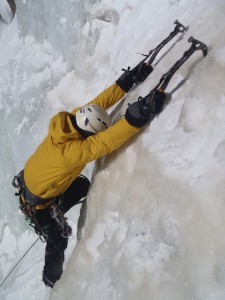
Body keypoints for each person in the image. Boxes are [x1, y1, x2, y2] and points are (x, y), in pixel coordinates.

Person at [13, 62, 166, 288]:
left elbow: (98, 104)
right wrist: (138, 116)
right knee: (58, 239)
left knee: (84, 186)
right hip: (39, 206)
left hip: (35, 185)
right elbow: (104, 143)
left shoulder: (71, 123)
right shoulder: (70, 153)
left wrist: (126, 82)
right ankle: (51, 279)